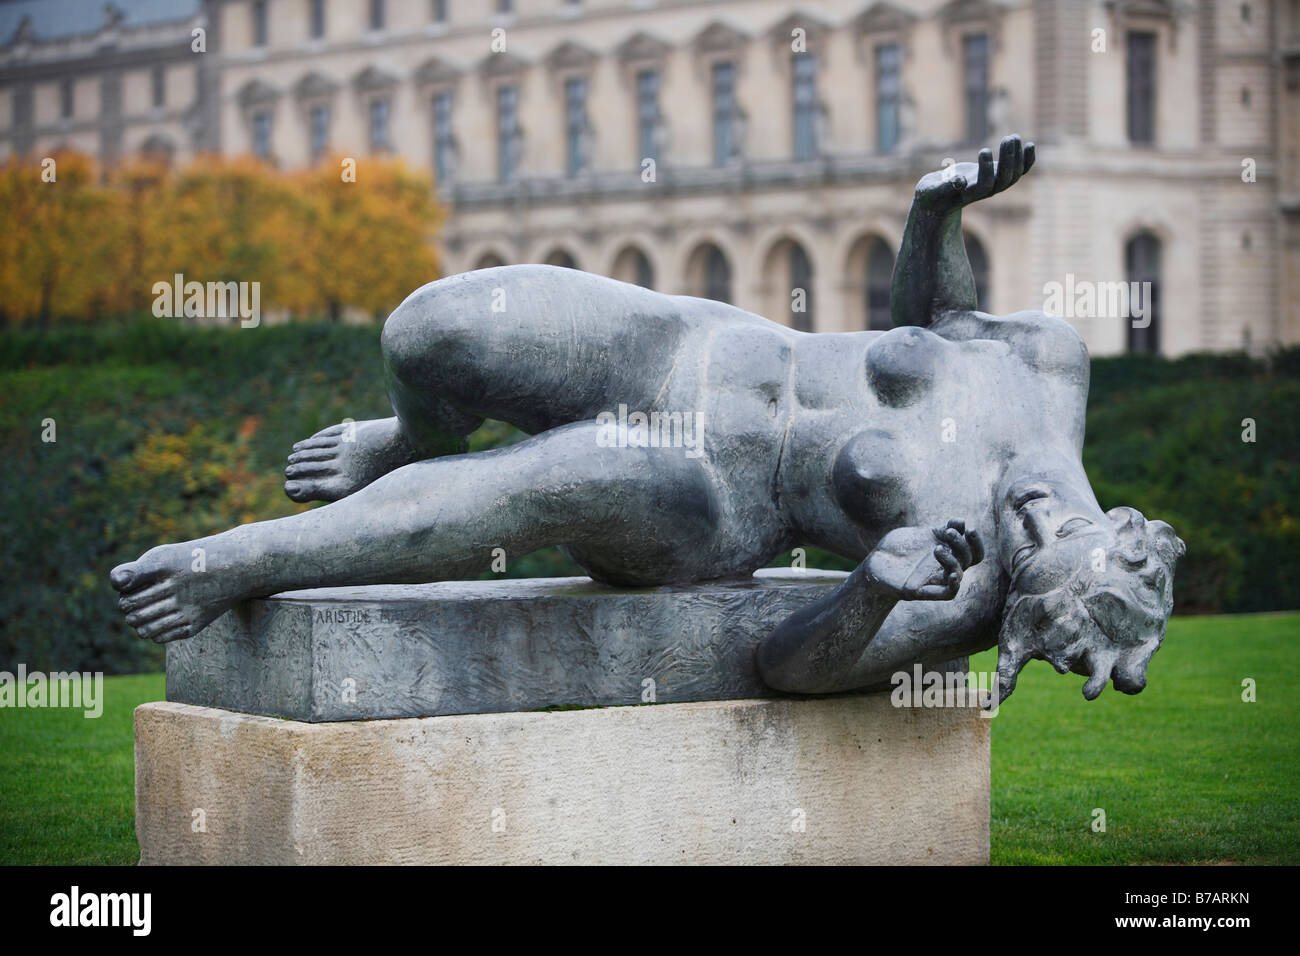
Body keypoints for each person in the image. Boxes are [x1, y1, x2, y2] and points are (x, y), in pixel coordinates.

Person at [112, 135, 1183, 704]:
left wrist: (865, 591)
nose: (1026, 521)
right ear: (1114, 524)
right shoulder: (1050, 363)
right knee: (431, 329)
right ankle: (410, 437)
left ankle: (235, 560)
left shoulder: (962, 595)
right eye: (1058, 529)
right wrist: (932, 211)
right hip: (705, 343)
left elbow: (787, 667)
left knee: (546, 478)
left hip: (719, 499)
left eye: (1024, 557)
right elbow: (938, 315)